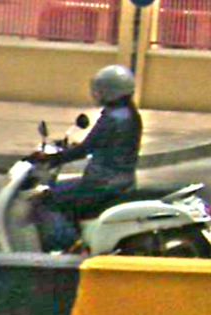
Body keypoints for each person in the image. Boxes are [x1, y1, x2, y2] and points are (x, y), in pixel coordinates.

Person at [29, 64, 143, 251]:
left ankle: (68, 245)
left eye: (100, 90)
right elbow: (103, 143)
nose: (97, 94)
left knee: (47, 199)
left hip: (101, 183)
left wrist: (52, 159)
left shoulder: (113, 118)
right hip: (121, 180)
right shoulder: (130, 114)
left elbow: (85, 149)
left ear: (110, 91)